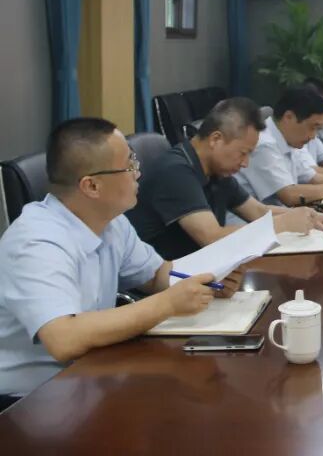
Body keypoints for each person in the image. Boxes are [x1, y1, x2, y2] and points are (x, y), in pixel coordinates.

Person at [0, 118, 243, 403]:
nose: (138, 174)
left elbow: (156, 274)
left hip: (90, 374)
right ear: (92, 186)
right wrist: (167, 303)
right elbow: (63, 338)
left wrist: (208, 279)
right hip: (29, 400)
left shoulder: (111, 221)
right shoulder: (36, 242)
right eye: (129, 167)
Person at [126, 97, 323, 260]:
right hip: (166, 282)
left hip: (204, 270)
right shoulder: (176, 171)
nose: (245, 163)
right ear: (216, 139)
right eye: (243, 153)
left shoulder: (217, 170)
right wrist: (282, 224)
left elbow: (258, 211)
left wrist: (309, 216)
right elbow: (211, 237)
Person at [235, 86, 323, 207]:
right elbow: (290, 195)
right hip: (251, 224)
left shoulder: (288, 139)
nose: (313, 136)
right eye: (312, 127)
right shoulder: (264, 144)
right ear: (289, 117)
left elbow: (311, 177)